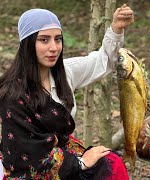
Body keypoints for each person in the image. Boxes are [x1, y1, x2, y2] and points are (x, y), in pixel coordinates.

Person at [0, 4, 134, 180]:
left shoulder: (64, 72)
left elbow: (102, 62)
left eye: (58, 39)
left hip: (63, 153)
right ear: (28, 44)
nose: (54, 47)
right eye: (44, 40)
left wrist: (116, 29)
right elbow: (27, 153)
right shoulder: (12, 93)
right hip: (32, 167)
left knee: (112, 163)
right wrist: (80, 162)